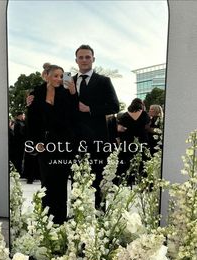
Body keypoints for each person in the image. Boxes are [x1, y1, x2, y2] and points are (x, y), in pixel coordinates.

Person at [26, 64, 78, 224]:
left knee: (61, 182)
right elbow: (32, 121)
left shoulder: (66, 93)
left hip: (63, 145)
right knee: (46, 183)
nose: (59, 79)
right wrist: (35, 142)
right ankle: (47, 221)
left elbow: (73, 116)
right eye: (56, 75)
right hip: (44, 144)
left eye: (61, 76)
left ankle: (61, 220)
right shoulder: (36, 93)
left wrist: (73, 93)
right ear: (46, 76)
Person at [73, 44, 120, 207]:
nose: (84, 60)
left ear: (93, 59)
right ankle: (76, 216)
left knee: (99, 176)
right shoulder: (67, 80)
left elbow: (115, 106)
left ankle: (100, 214)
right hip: (74, 138)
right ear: (76, 60)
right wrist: (33, 98)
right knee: (75, 178)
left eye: (87, 57)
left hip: (98, 137)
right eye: (81, 57)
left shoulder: (104, 80)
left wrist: (90, 109)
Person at [116, 98, 150, 184]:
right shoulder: (145, 114)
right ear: (141, 105)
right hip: (141, 140)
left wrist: (127, 129)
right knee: (142, 161)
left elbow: (119, 129)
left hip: (127, 141)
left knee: (127, 161)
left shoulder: (125, 115)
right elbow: (147, 127)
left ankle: (126, 181)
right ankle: (141, 181)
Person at [12, 111, 26, 176]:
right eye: (23, 115)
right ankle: (18, 172)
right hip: (19, 144)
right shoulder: (18, 123)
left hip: (19, 143)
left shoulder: (19, 123)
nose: (23, 116)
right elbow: (20, 134)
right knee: (19, 159)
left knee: (19, 158)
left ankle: (19, 172)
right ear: (19, 116)